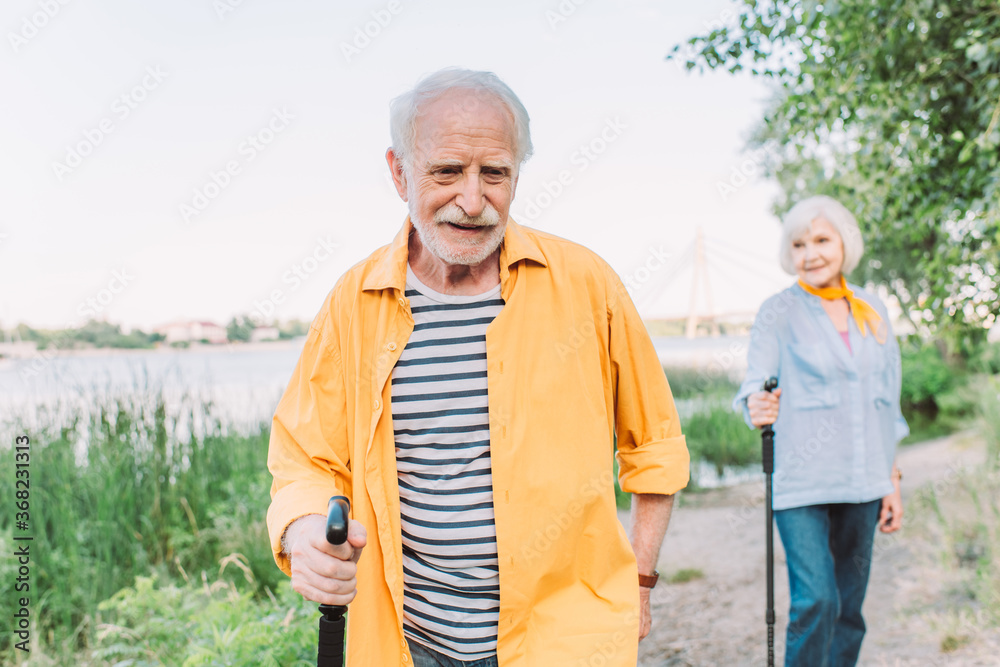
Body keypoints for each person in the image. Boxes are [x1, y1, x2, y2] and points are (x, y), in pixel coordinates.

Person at [266, 68, 690, 667]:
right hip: (407, 643)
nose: (472, 201)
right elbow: (305, 457)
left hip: (561, 641)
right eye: (445, 172)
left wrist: (640, 581)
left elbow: (655, 445)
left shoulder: (588, 284)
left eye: (495, 174)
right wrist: (304, 528)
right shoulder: (353, 302)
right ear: (398, 172)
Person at [733, 195, 909, 667]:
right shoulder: (778, 310)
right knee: (818, 602)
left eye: (821, 240)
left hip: (867, 480)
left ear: (844, 243)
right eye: (798, 244)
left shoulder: (873, 310)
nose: (810, 253)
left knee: (849, 610)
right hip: (802, 484)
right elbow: (755, 380)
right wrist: (757, 402)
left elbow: (886, 402)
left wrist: (892, 482)